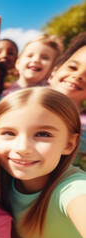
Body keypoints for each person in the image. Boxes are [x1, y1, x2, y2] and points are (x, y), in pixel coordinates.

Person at [0, 87, 86, 238]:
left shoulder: (73, 188)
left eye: (43, 134)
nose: (22, 148)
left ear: (69, 144)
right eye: (8, 133)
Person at [48, 31, 86, 170]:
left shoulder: (82, 131)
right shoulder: (21, 106)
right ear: (54, 73)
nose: (77, 75)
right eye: (72, 67)